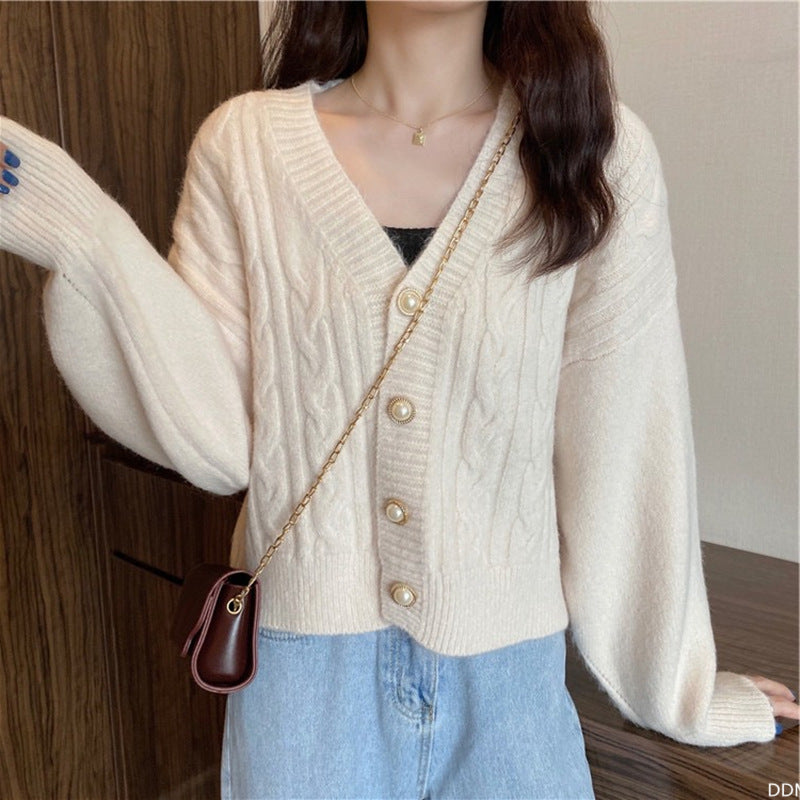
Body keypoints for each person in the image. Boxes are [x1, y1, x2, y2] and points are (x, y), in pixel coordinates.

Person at [1, 1, 797, 798]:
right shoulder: (244, 147)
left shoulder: (594, 149)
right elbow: (219, 446)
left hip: (508, 683)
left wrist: (678, 687)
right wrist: (85, 239)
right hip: (303, 688)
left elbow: (628, 436)